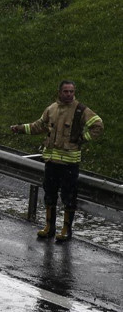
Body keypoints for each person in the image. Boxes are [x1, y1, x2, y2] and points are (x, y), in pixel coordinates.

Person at [10, 80, 103, 241]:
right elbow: (38, 126)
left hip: (69, 163)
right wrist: (19, 129)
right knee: (50, 194)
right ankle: (49, 227)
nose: (69, 94)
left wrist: (82, 138)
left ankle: (66, 229)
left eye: (72, 91)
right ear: (59, 92)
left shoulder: (80, 110)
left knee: (68, 196)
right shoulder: (51, 109)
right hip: (51, 161)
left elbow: (98, 125)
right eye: (66, 91)